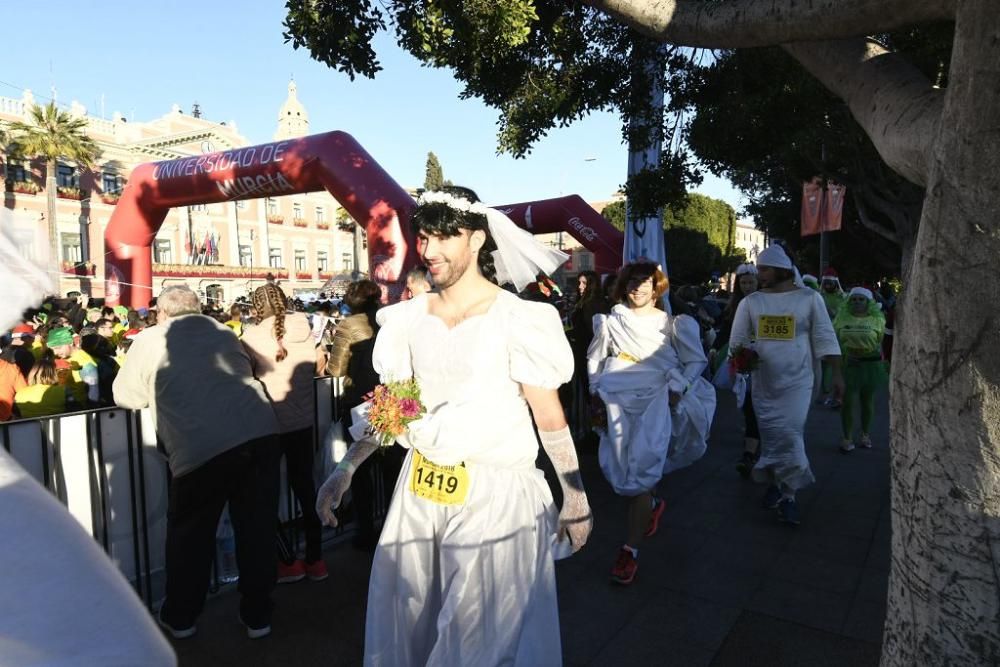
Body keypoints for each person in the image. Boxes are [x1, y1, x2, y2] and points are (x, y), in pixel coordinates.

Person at [316, 190, 593, 665]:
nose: (430, 249)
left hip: (496, 495)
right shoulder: (405, 319)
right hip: (420, 494)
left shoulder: (520, 318)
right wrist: (345, 468)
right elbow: (394, 406)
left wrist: (575, 493)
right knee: (411, 621)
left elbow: (547, 411)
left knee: (478, 637)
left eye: (446, 236)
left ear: (477, 240)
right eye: (424, 237)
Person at [112, 285, 282, 640]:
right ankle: (258, 616)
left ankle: (181, 617)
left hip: (201, 447)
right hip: (259, 432)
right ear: (198, 308)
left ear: (161, 312)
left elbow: (126, 396)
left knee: (190, 536)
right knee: (256, 529)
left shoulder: (150, 338)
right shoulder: (222, 330)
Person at [588, 261, 716, 585]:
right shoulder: (609, 322)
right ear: (624, 285)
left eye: (646, 281)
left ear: (656, 286)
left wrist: (679, 388)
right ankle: (652, 505)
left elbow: (695, 361)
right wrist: (595, 392)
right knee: (622, 472)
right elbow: (595, 360)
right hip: (616, 400)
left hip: (656, 401)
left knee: (642, 475)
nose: (639, 287)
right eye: (633, 281)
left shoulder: (673, 324)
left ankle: (629, 550)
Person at [729, 245, 843, 525]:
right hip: (764, 381)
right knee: (771, 434)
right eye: (758, 269)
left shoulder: (809, 298)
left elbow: (825, 337)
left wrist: (837, 375)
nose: (759, 274)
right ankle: (775, 482)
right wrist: (741, 360)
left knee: (791, 433)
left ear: (781, 269)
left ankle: (789, 496)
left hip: (799, 380)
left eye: (764, 269)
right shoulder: (751, 302)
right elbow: (738, 342)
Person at [240, 283, 329, 584]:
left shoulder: (250, 337)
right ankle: (316, 560)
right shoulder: (305, 328)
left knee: (263, 495)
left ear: (256, 308)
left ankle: (286, 561)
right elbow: (319, 366)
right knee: (307, 489)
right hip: (303, 423)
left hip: (266, 426)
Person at [326, 278, 402, 550]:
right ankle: (396, 529)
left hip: (360, 402)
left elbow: (335, 370)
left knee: (359, 470)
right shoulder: (388, 320)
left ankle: (366, 532)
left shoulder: (348, 325)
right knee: (392, 469)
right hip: (391, 400)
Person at [712, 263, 762, 477]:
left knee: (759, 403)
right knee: (747, 400)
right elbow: (727, 328)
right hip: (743, 357)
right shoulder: (736, 304)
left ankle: (755, 442)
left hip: (765, 358)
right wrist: (715, 347)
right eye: (743, 282)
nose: (747, 285)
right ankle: (750, 449)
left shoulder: (767, 302)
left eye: (751, 282)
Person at [833, 287, 887, 452]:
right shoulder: (842, 318)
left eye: (861, 299)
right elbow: (835, 341)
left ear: (868, 302)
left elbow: (881, 342)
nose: (857, 302)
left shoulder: (877, 320)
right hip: (850, 364)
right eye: (854, 299)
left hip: (871, 365)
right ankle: (847, 437)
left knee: (867, 401)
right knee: (847, 402)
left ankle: (865, 434)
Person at [567, 270, 610, 440]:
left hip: (589, 352)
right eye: (579, 283)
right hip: (583, 350)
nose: (580, 287)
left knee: (591, 391)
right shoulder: (585, 302)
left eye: (584, 283)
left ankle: (596, 430)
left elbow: (594, 333)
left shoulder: (593, 304)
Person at [14, 351, 68, 418]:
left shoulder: (20, 393)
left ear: (32, 373)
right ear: (53, 373)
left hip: (29, 427)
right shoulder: (62, 391)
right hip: (58, 426)